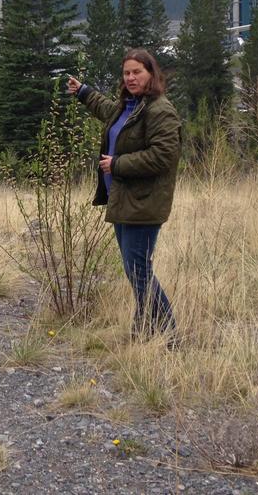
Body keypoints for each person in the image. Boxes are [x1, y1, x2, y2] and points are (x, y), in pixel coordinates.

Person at [67, 48, 181, 340]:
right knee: (135, 272)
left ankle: (169, 333)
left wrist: (117, 164)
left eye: (137, 72)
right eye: (127, 73)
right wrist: (83, 92)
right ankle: (144, 330)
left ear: (151, 74)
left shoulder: (159, 109)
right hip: (123, 200)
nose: (130, 78)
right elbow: (107, 111)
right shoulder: (129, 106)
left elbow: (163, 156)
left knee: (139, 271)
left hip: (143, 203)